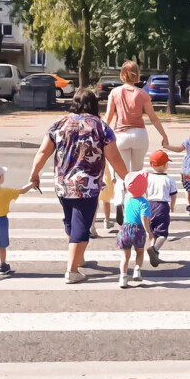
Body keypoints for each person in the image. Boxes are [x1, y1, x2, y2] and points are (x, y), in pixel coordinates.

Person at [29, 89, 128, 284]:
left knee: (71, 221)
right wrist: (128, 178)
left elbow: (43, 152)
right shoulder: (100, 127)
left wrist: (34, 173)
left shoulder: (59, 124)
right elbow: (114, 157)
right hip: (87, 186)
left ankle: (79, 258)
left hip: (62, 184)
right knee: (81, 227)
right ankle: (71, 270)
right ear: (93, 104)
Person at [104, 61, 170, 217]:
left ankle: (119, 201)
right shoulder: (143, 94)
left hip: (121, 136)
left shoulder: (115, 93)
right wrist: (164, 135)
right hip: (140, 135)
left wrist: (98, 133)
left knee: (123, 174)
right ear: (137, 75)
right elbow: (153, 118)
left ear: (122, 74)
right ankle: (132, 208)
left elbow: (108, 117)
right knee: (136, 173)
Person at [117, 171, 154, 288]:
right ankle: (137, 269)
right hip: (138, 230)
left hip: (125, 229)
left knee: (125, 256)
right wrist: (149, 232)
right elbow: (144, 218)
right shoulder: (144, 203)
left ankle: (123, 277)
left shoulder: (127, 198)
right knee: (140, 251)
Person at [145, 150, 178, 267]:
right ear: (165, 165)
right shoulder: (169, 179)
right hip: (162, 207)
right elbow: (173, 195)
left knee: (153, 232)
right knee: (163, 233)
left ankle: (153, 251)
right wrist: (172, 205)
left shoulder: (147, 177)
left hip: (149, 205)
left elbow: (143, 191)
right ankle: (155, 249)